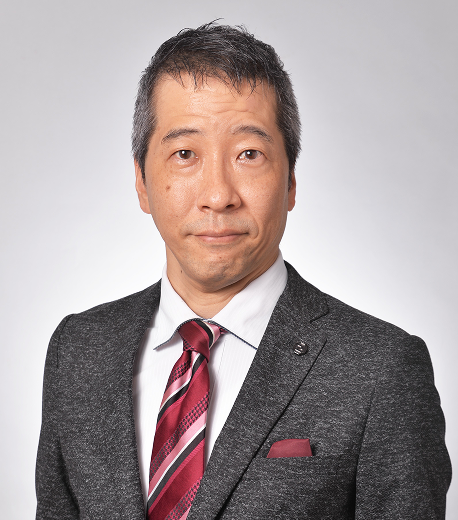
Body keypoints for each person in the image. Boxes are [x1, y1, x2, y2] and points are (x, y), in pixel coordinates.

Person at [35, 22, 451, 520]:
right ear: (142, 182)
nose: (218, 195)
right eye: (184, 154)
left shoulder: (382, 369)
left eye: (248, 154)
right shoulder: (78, 351)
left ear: (291, 181)